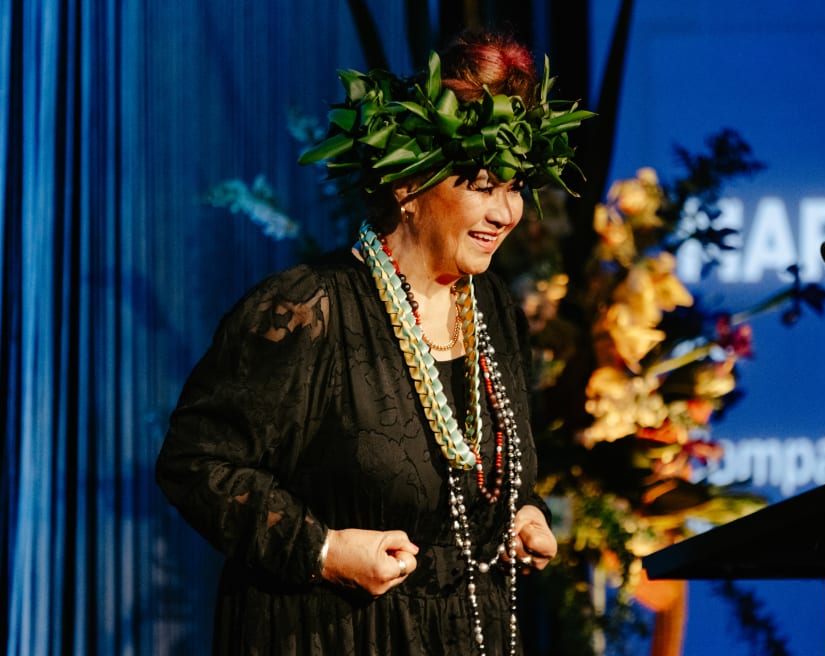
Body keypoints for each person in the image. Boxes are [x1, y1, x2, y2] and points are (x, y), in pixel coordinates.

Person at [156, 29, 592, 655]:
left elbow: (486, 470)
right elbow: (195, 463)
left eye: (514, 187)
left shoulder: (493, 309)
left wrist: (523, 517)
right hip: (335, 633)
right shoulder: (309, 311)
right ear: (406, 187)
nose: (506, 212)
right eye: (482, 184)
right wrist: (325, 549)